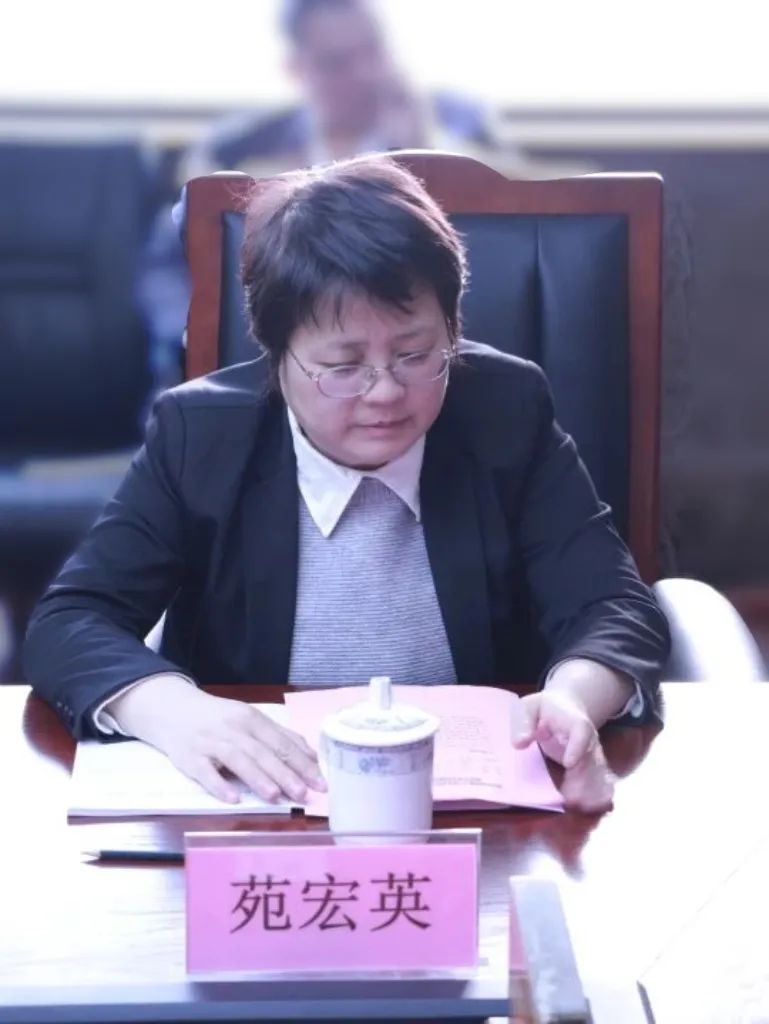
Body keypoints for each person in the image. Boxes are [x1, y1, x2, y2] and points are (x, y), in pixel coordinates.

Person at [25, 156, 670, 814]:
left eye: (415, 354)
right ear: (278, 354)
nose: (385, 392)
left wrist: (572, 698)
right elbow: (71, 621)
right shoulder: (201, 435)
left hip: (473, 813)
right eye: (342, 365)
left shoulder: (505, 409)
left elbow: (613, 604)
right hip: (264, 812)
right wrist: (177, 711)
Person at [139, 0, 493, 391]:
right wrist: (205, 336)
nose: (367, 74)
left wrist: (423, 151)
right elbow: (169, 266)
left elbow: (512, 237)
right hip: (276, 353)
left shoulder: (458, 125)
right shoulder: (238, 148)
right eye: (338, 62)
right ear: (297, 68)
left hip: (419, 355)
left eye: (373, 51)